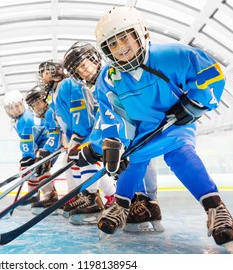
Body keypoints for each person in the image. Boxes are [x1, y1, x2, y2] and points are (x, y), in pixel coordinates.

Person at [92, 5, 233, 253]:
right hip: (139, 131)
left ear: (140, 34)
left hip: (174, 122)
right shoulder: (108, 77)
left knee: (181, 154)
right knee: (131, 161)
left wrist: (194, 103)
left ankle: (216, 209)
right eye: (113, 44)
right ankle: (121, 206)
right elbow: (108, 113)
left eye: (124, 38)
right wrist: (112, 143)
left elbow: (212, 74)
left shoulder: (171, 56)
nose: (121, 48)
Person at [63, 41, 163, 233]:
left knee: (141, 161)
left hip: (138, 127)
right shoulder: (92, 87)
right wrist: (98, 146)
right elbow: (103, 118)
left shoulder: (111, 73)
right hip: (125, 133)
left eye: (84, 65)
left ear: (94, 58)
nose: (83, 72)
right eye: (78, 70)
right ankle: (142, 204)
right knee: (129, 165)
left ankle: (145, 202)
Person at [37, 59, 117, 225]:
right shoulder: (55, 92)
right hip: (82, 133)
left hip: (90, 132)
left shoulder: (68, 85)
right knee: (72, 160)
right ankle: (98, 195)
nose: (42, 76)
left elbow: (80, 112)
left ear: (55, 72)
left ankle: (92, 198)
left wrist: (78, 137)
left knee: (85, 159)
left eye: (45, 72)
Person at [3, 90, 57, 212]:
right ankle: (33, 195)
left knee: (41, 167)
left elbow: (28, 142)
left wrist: (27, 157)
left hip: (48, 144)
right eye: (11, 108)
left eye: (17, 106)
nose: (15, 110)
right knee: (32, 168)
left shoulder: (25, 119)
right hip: (41, 145)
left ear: (22, 104)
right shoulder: (19, 119)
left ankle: (50, 195)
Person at [24, 86, 63, 215]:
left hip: (72, 139)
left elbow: (56, 133)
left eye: (38, 102)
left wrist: (45, 151)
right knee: (41, 165)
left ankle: (51, 196)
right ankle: (50, 195)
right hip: (65, 141)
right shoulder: (46, 115)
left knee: (42, 164)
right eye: (34, 105)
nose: (37, 107)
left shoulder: (50, 112)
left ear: (45, 100)